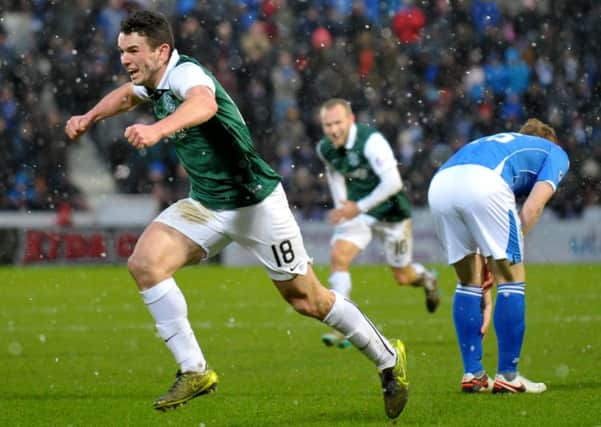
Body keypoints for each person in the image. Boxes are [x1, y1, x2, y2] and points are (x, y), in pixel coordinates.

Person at [64, 10, 408, 419]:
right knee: (145, 264)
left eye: (133, 51)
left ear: (162, 51)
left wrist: (158, 131)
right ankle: (194, 369)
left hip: (255, 204)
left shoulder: (186, 76)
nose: (125, 59)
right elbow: (125, 95)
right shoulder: (151, 81)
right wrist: (89, 117)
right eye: (122, 50)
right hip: (207, 203)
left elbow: (204, 104)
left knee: (308, 300)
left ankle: (389, 358)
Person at [427, 119, 569, 394]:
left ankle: (473, 373)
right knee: (513, 276)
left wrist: (491, 265)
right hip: (484, 184)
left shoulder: (495, 141)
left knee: (468, 282)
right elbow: (531, 210)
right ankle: (508, 375)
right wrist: (507, 257)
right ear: (550, 140)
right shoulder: (554, 152)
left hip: (441, 184)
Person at [316, 98, 440, 348]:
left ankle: (427, 278)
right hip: (359, 212)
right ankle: (343, 327)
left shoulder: (371, 141)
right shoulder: (325, 149)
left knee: (402, 276)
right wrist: (342, 205)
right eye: (328, 125)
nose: (333, 130)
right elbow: (334, 173)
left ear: (350, 120)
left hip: (391, 211)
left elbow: (394, 183)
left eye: (338, 123)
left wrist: (356, 206)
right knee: (339, 257)